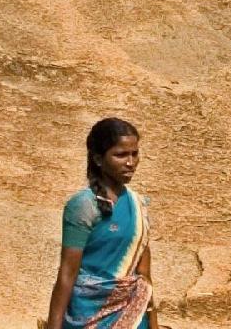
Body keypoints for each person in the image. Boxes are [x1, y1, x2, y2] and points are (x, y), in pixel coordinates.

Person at [43, 117, 156, 329]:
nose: (130, 162)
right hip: (87, 315)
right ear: (98, 159)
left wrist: (153, 322)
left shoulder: (138, 205)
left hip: (132, 315)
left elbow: (144, 276)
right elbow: (67, 273)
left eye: (134, 154)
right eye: (121, 155)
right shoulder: (83, 206)